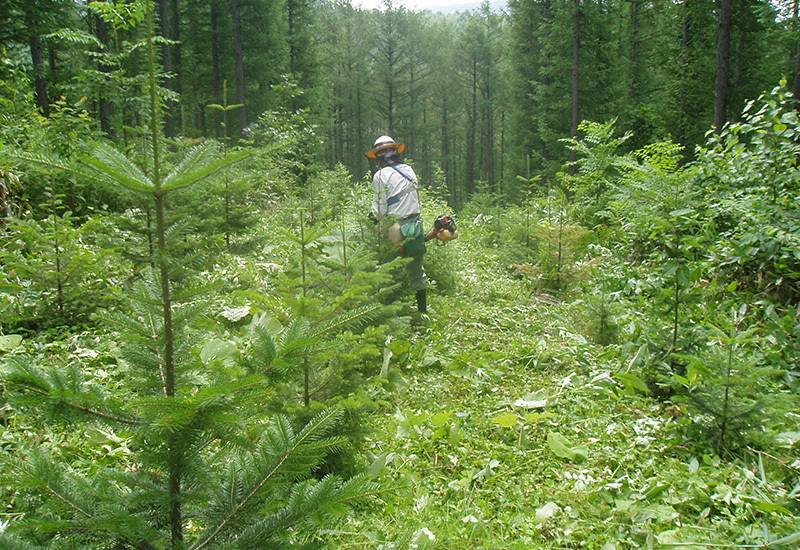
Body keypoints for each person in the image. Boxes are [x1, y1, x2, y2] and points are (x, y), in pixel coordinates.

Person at [365, 135, 427, 314]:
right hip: (415, 224)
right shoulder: (409, 169)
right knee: (417, 270)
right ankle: (423, 313)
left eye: (387, 150)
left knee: (388, 269)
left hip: (395, 228)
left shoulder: (380, 175)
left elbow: (379, 210)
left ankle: (389, 313)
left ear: (377, 157)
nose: (387, 153)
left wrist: (369, 220)